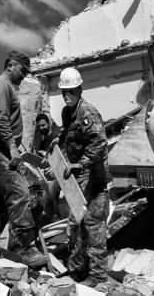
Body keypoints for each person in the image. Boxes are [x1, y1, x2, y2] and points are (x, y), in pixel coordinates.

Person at [0, 50, 46, 268]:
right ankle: (27, 247)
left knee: (1, 204)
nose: (24, 76)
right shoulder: (2, 85)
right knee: (19, 191)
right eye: (23, 70)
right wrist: (13, 147)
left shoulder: (5, 86)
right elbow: (0, 120)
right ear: (11, 65)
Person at [58, 67, 109, 287]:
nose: (67, 95)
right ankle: (77, 271)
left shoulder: (88, 112)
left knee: (93, 226)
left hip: (94, 179)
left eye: (71, 91)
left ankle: (97, 276)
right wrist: (56, 145)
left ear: (80, 89)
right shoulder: (66, 113)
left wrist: (81, 163)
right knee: (75, 224)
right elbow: (67, 137)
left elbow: (99, 144)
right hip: (78, 181)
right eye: (64, 91)